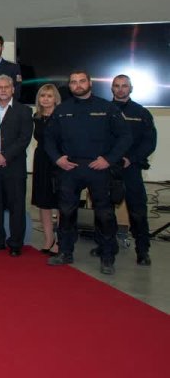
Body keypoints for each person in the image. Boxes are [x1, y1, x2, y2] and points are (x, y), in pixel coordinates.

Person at [46, 71, 131, 275]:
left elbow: (125, 136)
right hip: (70, 168)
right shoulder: (62, 110)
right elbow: (48, 138)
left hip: (98, 168)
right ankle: (65, 252)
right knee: (66, 212)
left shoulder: (107, 108)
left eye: (82, 81)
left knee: (104, 214)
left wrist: (109, 159)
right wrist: (57, 159)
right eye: (73, 82)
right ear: (70, 86)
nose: (78, 85)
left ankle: (107, 256)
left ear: (89, 83)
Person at [110, 74, 158, 266]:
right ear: (112, 88)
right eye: (117, 86)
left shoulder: (141, 113)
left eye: (124, 86)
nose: (120, 89)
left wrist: (131, 159)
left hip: (131, 168)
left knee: (138, 211)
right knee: (103, 210)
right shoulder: (104, 110)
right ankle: (105, 246)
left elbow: (149, 142)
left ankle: (143, 250)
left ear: (131, 89)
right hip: (108, 168)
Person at [0, 76, 33, 256]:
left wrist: (5, 155)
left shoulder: (24, 111)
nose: (3, 90)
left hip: (14, 165)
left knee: (16, 206)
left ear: (13, 89)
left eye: (7, 87)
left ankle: (16, 243)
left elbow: (24, 138)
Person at [31, 84, 61, 255]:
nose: (46, 99)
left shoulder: (62, 117)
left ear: (55, 98)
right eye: (43, 96)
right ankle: (49, 239)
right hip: (42, 160)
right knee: (44, 202)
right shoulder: (36, 117)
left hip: (58, 161)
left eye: (49, 96)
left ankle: (60, 240)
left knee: (60, 203)